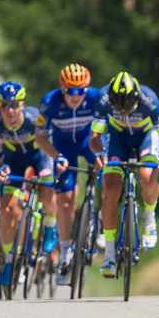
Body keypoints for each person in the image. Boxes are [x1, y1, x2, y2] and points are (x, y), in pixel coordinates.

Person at [90, 72, 159, 278]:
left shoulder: (150, 99)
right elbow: (95, 137)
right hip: (117, 137)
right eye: (119, 110)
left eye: (127, 108)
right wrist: (100, 153)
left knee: (147, 176)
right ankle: (109, 254)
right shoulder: (102, 99)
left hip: (146, 136)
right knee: (110, 189)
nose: (125, 113)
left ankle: (149, 217)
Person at [35, 64, 101, 285]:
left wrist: (103, 151)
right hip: (63, 149)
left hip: (87, 143)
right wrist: (56, 156)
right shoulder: (50, 102)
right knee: (65, 202)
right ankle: (65, 254)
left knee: (109, 174)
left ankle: (98, 217)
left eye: (81, 90)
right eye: (71, 91)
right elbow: (41, 139)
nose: (76, 96)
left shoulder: (96, 98)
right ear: (62, 88)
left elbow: (107, 128)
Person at [0, 81, 58, 285]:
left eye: (14, 105)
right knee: (7, 208)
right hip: (14, 160)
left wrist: (57, 160)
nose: (9, 110)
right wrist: (0, 167)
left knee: (47, 193)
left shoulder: (33, 118)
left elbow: (51, 142)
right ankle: (10, 260)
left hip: (40, 156)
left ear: (22, 104)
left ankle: (50, 226)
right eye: (4, 105)